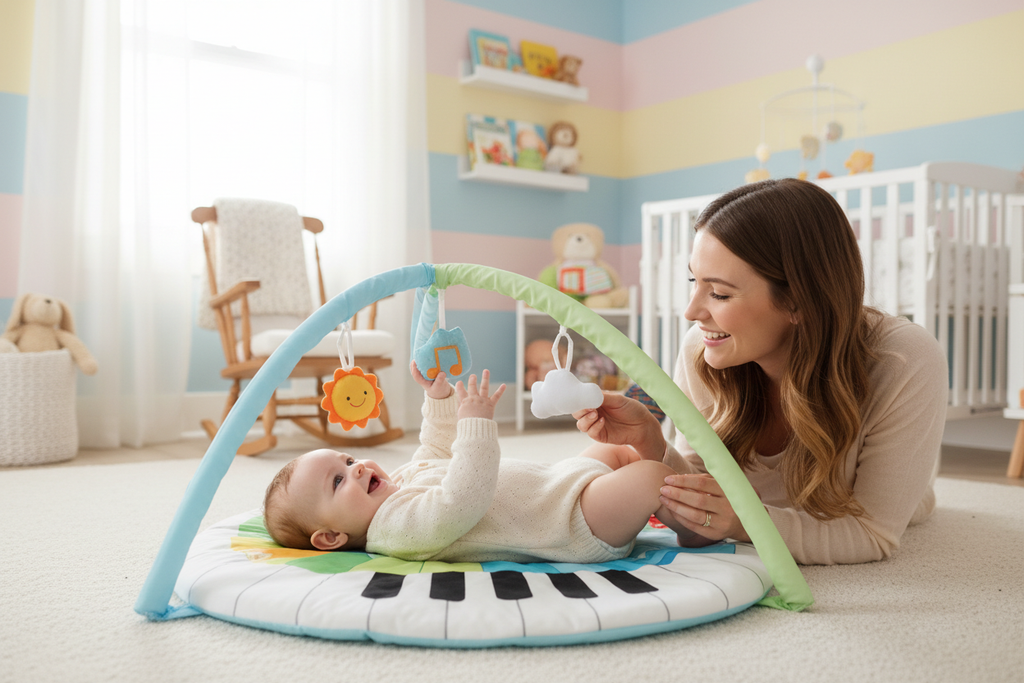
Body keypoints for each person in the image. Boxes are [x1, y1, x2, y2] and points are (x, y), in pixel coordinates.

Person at [574, 178, 948, 565]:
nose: (691, 312)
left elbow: (871, 533)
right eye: (694, 282)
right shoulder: (702, 349)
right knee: (615, 458)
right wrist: (652, 443)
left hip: (863, 495)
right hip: (756, 501)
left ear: (798, 302)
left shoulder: (906, 360)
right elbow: (702, 486)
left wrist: (744, 522)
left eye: (718, 293)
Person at [262, 362, 688, 563]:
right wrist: (477, 425)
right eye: (337, 482)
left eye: (349, 459)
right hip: (572, 522)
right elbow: (463, 498)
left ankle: (656, 496)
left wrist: (440, 400)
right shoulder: (396, 530)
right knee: (652, 475)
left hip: (557, 484)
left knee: (615, 453)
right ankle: (692, 529)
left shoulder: (397, 484)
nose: (355, 468)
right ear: (332, 537)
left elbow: (436, 450)